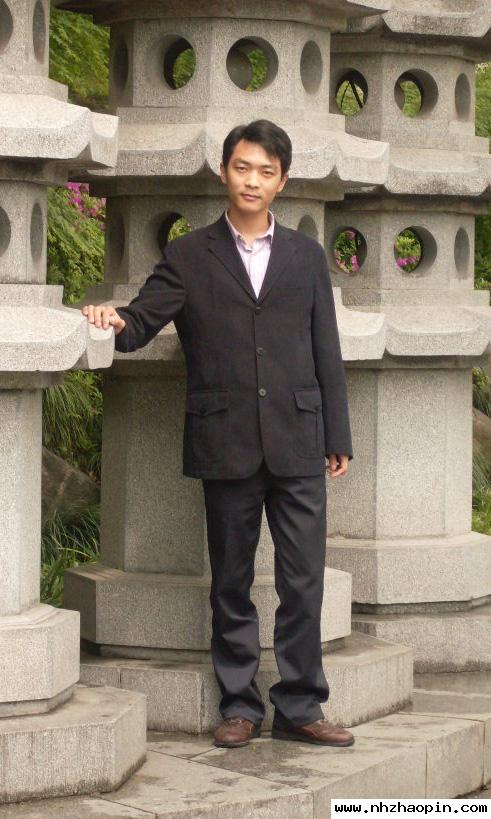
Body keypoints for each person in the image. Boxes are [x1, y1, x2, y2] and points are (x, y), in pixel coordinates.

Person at [82, 119, 355, 750]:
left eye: (265, 171)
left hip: (298, 437)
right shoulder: (189, 255)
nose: (252, 180)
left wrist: (336, 433)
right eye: (242, 167)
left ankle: (300, 706)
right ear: (224, 171)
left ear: (282, 181)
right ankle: (240, 706)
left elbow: (326, 347)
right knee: (231, 581)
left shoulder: (306, 256)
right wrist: (109, 317)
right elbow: (140, 323)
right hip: (226, 439)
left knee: (302, 580)